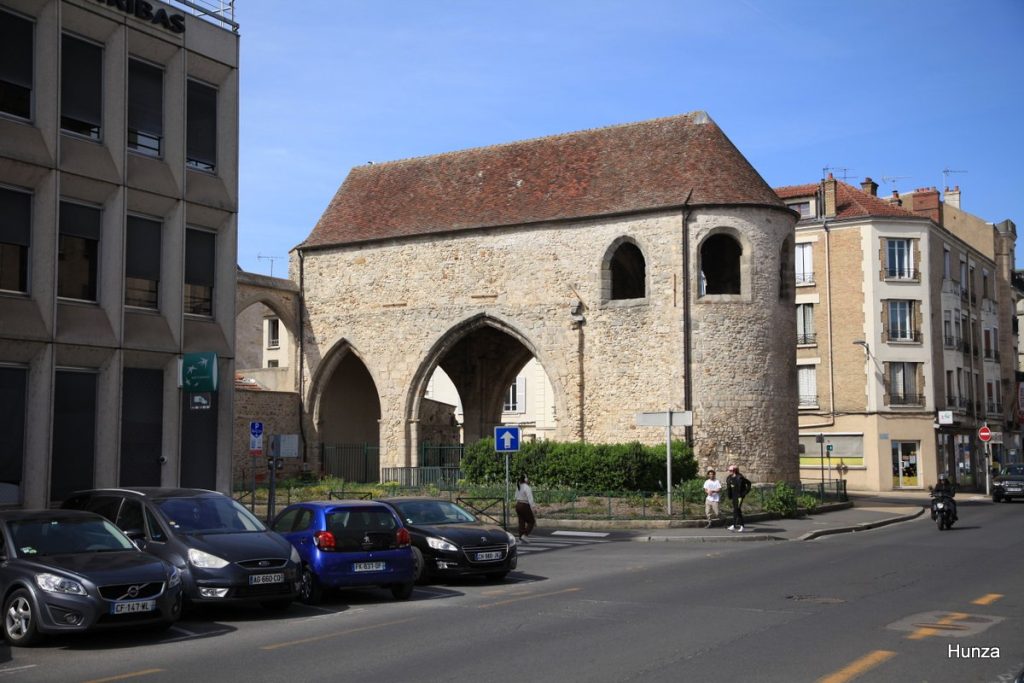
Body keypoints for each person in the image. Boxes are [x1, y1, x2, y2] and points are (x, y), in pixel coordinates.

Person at [725, 464, 751, 532]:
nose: (729, 471)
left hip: (739, 496)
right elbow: (729, 487)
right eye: (729, 470)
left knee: (736, 510)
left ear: (734, 471)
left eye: (730, 470)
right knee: (738, 511)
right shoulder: (729, 478)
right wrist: (729, 494)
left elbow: (749, 483)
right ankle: (742, 526)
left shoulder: (740, 477)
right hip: (733, 496)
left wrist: (744, 493)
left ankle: (733, 525)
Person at [515, 474, 537, 542]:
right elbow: (530, 499)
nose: (528, 479)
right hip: (524, 505)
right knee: (531, 521)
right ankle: (525, 535)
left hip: (518, 504)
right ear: (525, 479)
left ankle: (521, 537)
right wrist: (533, 508)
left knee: (521, 521)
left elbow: (515, 496)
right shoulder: (527, 487)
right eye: (527, 478)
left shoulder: (518, 486)